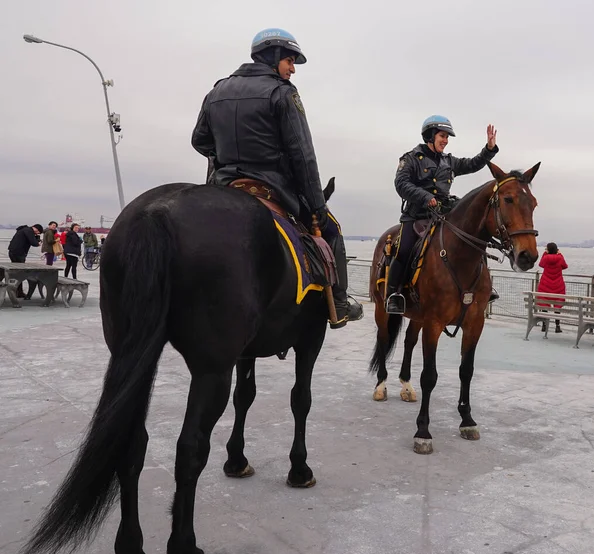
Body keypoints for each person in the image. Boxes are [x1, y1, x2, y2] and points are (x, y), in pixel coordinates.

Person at [191, 28, 363, 329]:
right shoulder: (283, 92)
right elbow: (303, 156)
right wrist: (317, 206)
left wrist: (225, 157)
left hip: (225, 184)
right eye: (289, 60)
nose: (293, 68)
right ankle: (338, 304)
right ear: (271, 57)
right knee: (332, 229)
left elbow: (199, 140)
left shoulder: (216, 90)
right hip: (271, 185)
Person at [385, 115, 500, 314]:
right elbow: (401, 184)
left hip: (443, 215)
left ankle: (483, 286)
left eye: (447, 137)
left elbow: (473, 164)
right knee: (403, 250)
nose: (445, 140)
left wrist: (488, 150)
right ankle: (394, 295)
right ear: (430, 136)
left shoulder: (449, 161)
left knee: (475, 239)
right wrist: (425, 196)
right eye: (442, 136)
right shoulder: (411, 158)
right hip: (416, 216)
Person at [537, 242, 568, 333]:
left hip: (545, 284)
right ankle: (557, 326)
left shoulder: (545, 258)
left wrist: (545, 253)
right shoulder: (560, 258)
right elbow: (565, 266)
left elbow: (541, 264)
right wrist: (560, 254)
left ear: (548, 250)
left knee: (544, 303)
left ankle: (544, 325)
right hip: (558, 285)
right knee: (557, 305)